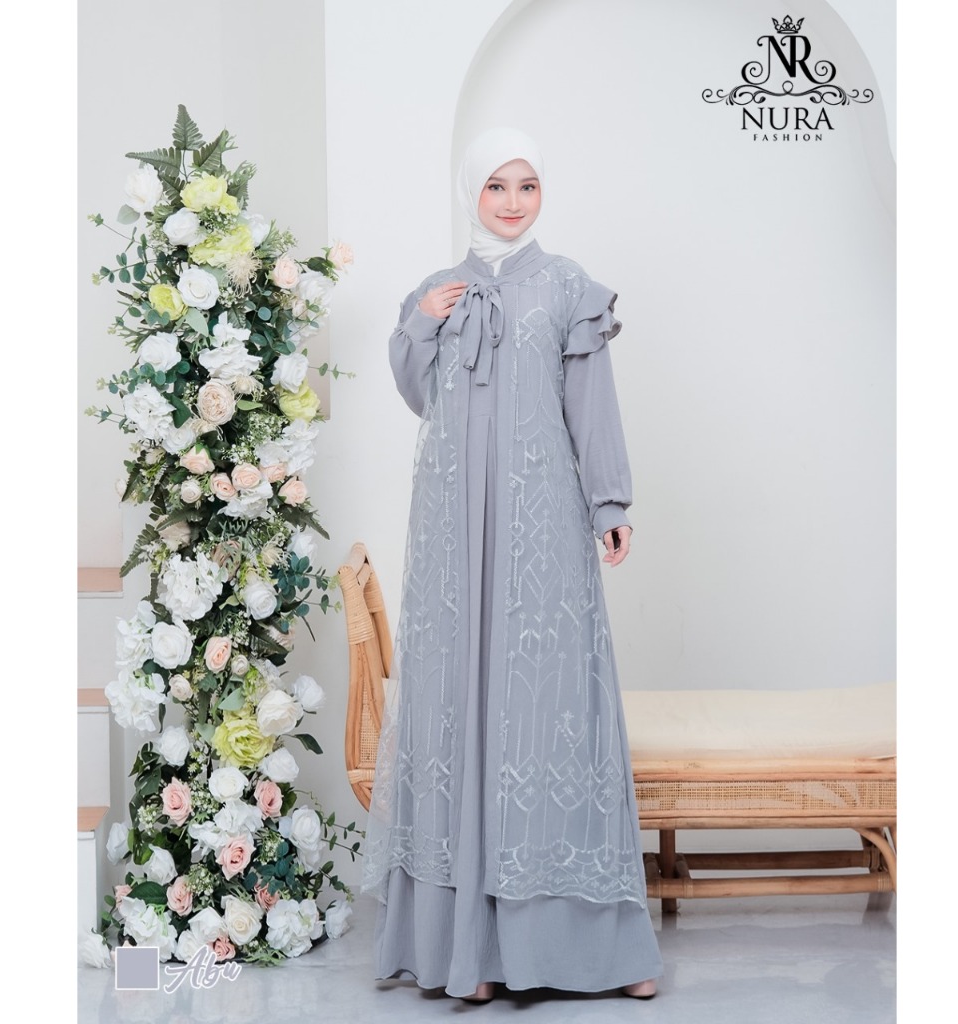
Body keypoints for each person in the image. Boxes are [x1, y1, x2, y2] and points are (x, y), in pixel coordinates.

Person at [360, 127, 662, 1003]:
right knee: (460, 707)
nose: (513, 201)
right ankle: (471, 953)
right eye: (497, 185)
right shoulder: (437, 289)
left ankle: (592, 950)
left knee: (546, 710)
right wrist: (422, 322)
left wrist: (609, 504)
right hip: (453, 529)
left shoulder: (566, 286)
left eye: (527, 185)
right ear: (472, 192)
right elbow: (419, 393)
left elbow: (592, 403)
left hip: (539, 528)